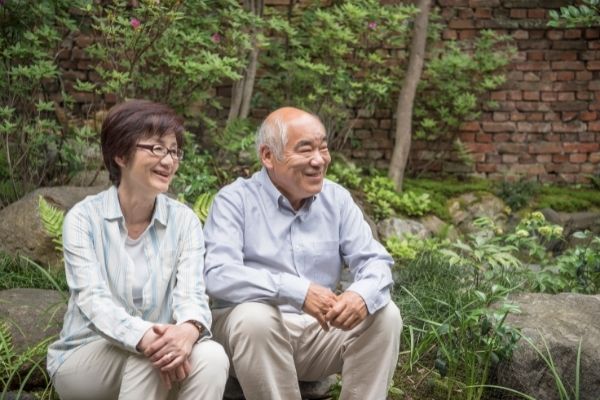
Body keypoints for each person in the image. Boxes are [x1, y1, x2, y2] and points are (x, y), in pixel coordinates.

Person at [203, 106, 403, 400]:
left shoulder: (336, 199)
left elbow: (376, 261)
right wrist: (296, 291)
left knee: (385, 314)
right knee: (255, 317)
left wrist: (359, 296)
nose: (319, 160)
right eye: (305, 149)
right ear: (268, 156)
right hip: (250, 337)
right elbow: (217, 274)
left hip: (318, 332)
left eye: (323, 148)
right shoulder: (235, 201)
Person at [47, 100, 229, 400]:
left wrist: (189, 330)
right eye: (157, 148)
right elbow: (93, 301)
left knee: (212, 357)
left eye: (173, 150)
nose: (168, 160)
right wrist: (146, 337)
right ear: (120, 154)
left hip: (164, 353)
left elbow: (192, 294)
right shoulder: (83, 219)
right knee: (150, 357)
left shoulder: (184, 222)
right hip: (84, 360)